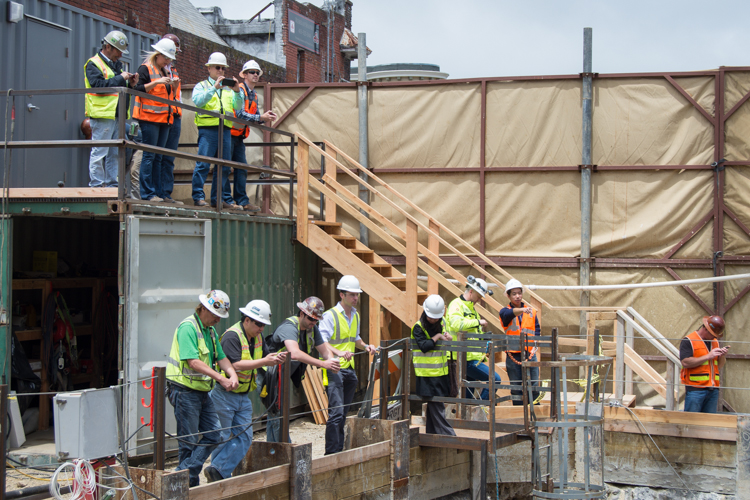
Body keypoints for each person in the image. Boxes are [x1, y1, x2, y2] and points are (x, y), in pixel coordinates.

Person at [204, 300, 286, 483]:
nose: (261, 328)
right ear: (246, 320)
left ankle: (217, 471)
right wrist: (265, 362)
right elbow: (234, 364)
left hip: (243, 395)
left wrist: (274, 358)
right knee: (223, 436)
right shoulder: (232, 336)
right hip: (224, 394)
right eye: (258, 323)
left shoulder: (257, 338)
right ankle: (217, 477)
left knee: (245, 437)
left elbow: (263, 358)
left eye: (263, 324)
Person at [165, 290, 239, 487]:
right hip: (184, 390)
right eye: (216, 315)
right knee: (188, 442)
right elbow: (193, 362)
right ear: (204, 308)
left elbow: (221, 357)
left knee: (214, 434)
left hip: (202, 391)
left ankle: (182, 474)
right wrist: (221, 378)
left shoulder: (210, 332)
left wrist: (231, 374)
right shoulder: (188, 327)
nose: (217, 320)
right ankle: (187, 483)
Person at [263, 296, 342, 443]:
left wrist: (331, 361)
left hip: (282, 375)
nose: (313, 323)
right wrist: (323, 364)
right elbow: (295, 353)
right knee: (277, 414)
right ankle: (284, 448)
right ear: (301, 314)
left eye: (316, 320)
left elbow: (324, 351)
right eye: (311, 319)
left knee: (276, 415)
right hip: (269, 374)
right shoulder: (289, 327)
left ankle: (272, 449)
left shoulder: (312, 329)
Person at [319, 276, 376, 455]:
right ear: (341, 295)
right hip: (333, 368)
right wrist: (338, 352)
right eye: (352, 295)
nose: (356, 298)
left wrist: (366, 346)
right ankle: (331, 453)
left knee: (343, 413)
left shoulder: (355, 315)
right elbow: (321, 342)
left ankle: (339, 450)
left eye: (357, 295)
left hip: (348, 369)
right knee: (336, 414)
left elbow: (355, 339)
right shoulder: (330, 316)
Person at [84, 30, 138, 188]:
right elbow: (99, 86)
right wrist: (121, 78)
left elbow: (116, 84)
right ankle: (96, 185)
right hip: (102, 115)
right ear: (108, 47)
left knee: (113, 153)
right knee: (100, 151)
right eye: (118, 51)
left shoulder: (115, 65)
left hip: (115, 115)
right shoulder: (93, 64)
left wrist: (130, 84)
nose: (120, 55)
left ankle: (111, 186)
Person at [191, 52, 243, 209]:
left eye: (223, 68)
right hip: (208, 129)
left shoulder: (228, 89)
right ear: (209, 68)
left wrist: (237, 91)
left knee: (225, 166)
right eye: (217, 67)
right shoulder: (201, 86)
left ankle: (217, 199)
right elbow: (198, 102)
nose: (221, 71)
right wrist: (214, 88)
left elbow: (238, 107)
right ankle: (198, 197)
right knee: (203, 164)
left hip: (225, 129)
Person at [133, 38, 178, 202]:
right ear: (157, 54)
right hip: (149, 118)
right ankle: (147, 193)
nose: (168, 61)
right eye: (166, 57)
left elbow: (167, 95)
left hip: (164, 120)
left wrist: (173, 86)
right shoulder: (145, 69)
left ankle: (159, 193)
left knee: (158, 157)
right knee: (149, 156)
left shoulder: (165, 71)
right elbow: (136, 89)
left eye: (169, 58)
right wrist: (157, 81)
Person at [230, 60, 278, 211]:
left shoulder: (254, 95)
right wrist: (261, 118)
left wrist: (263, 117)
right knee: (224, 167)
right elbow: (239, 114)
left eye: (257, 72)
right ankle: (226, 200)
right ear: (244, 74)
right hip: (228, 133)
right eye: (252, 72)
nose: (256, 75)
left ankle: (242, 201)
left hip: (239, 135)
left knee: (242, 168)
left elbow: (255, 116)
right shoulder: (239, 90)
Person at [446, 275, 500, 400]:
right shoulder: (456, 305)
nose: (479, 300)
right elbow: (456, 325)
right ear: (471, 291)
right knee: (495, 380)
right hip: (464, 358)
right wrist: (478, 322)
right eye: (479, 296)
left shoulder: (472, 309)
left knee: (467, 396)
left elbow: (472, 332)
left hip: (471, 357)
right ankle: (480, 408)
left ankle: (470, 414)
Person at [411, 295, 456, 436]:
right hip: (426, 375)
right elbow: (424, 346)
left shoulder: (442, 322)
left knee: (434, 405)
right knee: (436, 405)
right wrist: (437, 336)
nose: (434, 320)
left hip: (441, 372)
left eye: (436, 317)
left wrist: (448, 337)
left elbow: (447, 337)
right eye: (431, 317)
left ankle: (431, 434)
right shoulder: (418, 328)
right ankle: (448, 435)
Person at [500, 279, 540, 406]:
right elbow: (508, 314)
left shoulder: (531, 312)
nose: (517, 296)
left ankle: (535, 412)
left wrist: (535, 345)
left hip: (529, 353)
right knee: (516, 386)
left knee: (533, 384)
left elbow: (536, 329)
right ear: (508, 295)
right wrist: (523, 310)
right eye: (514, 294)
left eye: (519, 293)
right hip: (513, 354)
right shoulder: (505, 311)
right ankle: (518, 413)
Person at [155, 34, 184, 204]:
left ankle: (165, 193)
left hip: (174, 114)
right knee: (157, 156)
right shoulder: (155, 68)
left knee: (169, 157)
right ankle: (156, 192)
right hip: (160, 115)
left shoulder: (173, 70)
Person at [680, 315, 728, 413]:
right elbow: (685, 362)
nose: (714, 337)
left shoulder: (715, 342)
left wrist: (722, 356)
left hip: (713, 390)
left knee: (708, 423)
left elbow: (719, 365)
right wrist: (708, 356)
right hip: (695, 390)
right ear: (706, 329)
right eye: (713, 334)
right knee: (691, 421)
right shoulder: (689, 341)